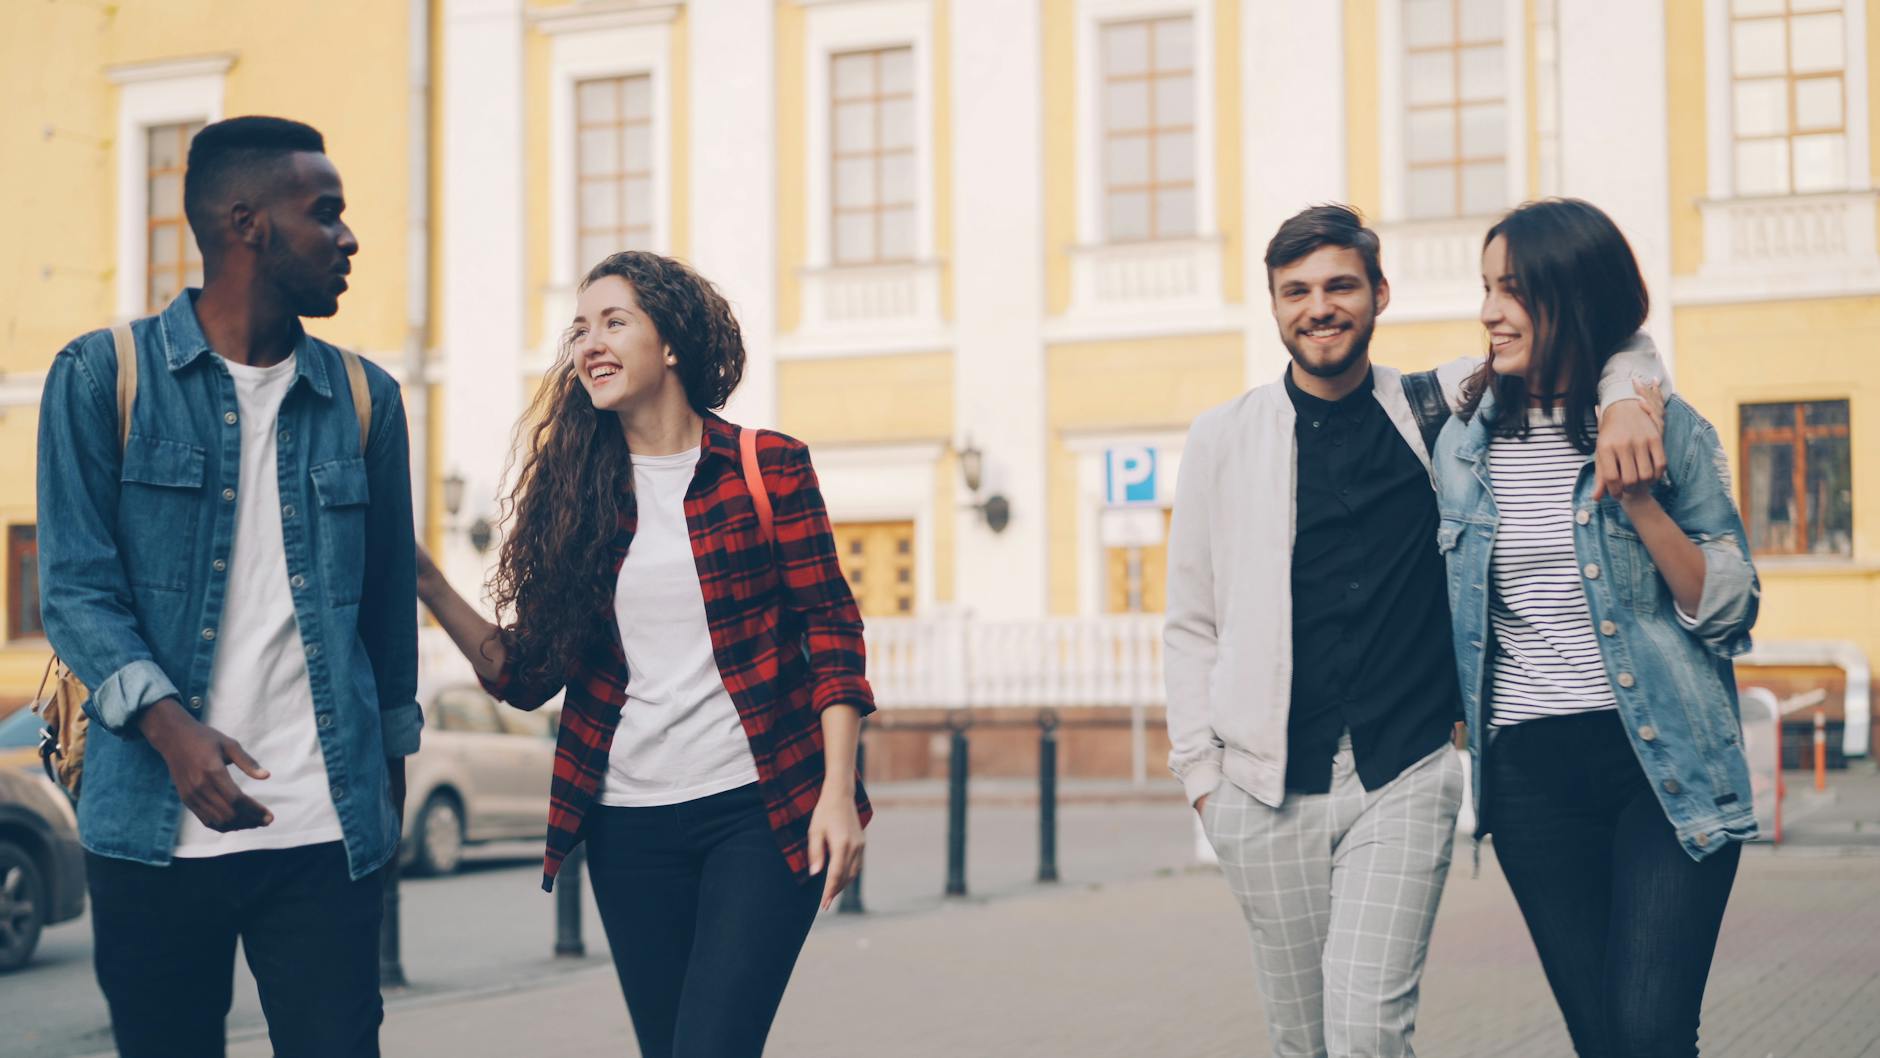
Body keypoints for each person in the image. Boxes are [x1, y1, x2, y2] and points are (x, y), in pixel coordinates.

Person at [1165, 204, 1669, 1058]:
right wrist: (1204, 782)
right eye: (1296, 292)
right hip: (1261, 788)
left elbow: (1602, 336)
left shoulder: (1440, 408)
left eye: (1339, 286)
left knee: (1364, 1032)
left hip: (1402, 772)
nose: (1317, 307)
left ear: (1379, 294)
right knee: (1303, 1041)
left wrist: (1625, 401)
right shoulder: (1223, 438)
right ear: (1275, 306)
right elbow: (1190, 623)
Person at [416, 250, 872, 1058]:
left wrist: (837, 792)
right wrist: (427, 583)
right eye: (579, 328)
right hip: (628, 829)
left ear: (671, 343)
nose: (590, 342)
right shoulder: (581, 500)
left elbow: (832, 633)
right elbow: (524, 674)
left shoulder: (766, 468)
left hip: (759, 813)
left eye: (614, 321)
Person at [36, 115, 418, 1058]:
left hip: (323, 835)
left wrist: (386, 797)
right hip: (150, 833)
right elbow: (77, 591)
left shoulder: (368, 400)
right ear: (246, 224)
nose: (348, 237)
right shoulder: (100, 377)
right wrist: (175, 736)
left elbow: (384, 617)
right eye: (324, 213)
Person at [1434, 198, 1758, 1056]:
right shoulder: (1459, 443)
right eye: (1486, 288)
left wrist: (1642, 501)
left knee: (1650, 1032)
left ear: (1572, 298)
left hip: (1662, 764)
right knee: (1602, 1040)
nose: (1489, 311)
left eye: (1513, 291)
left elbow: (1730, 611)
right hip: (1532, 776)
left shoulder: (1666, 426)